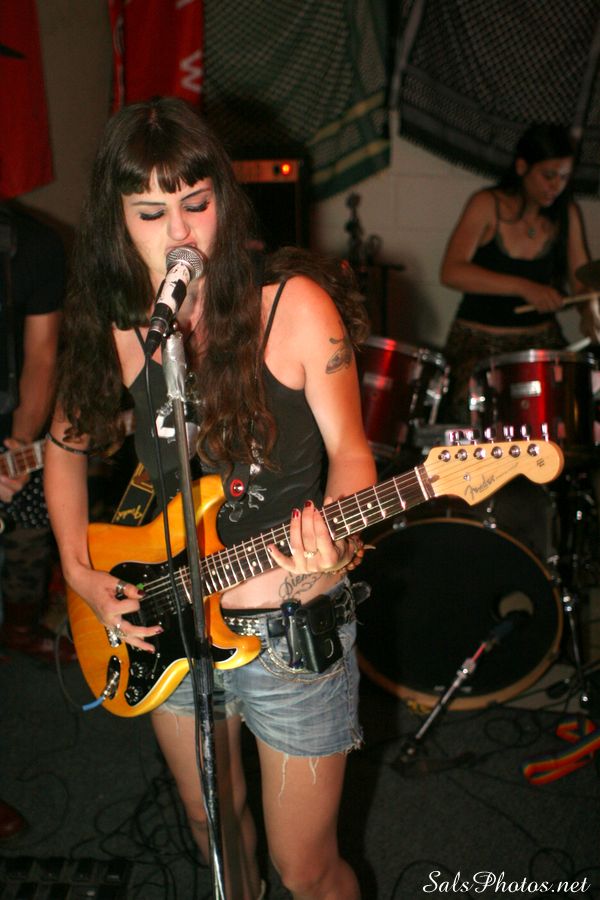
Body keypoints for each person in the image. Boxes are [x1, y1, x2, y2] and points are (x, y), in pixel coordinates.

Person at [44, 97, 376, 900]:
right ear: (117, 221)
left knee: (306, 867)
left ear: (224, 197)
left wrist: (332, 546)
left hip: (289, 621)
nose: (180, 232)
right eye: (150, 212)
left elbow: (353, 453)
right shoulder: (125, 322)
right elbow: (65, 443)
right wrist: (79, 572)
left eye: (196, 203)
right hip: (172, 621)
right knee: (211, 826)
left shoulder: (293, 307)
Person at [439, 123, 600, 421]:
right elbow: (451, 271)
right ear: (522, 166)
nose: (556, 186)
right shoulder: (487, 204)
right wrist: (524, 287)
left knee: (575, 406)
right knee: (472, 413)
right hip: (479, 341)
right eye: (548, 176)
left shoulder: (567, 213)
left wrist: (591, 309)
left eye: (564, 177)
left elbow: (582, 282)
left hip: (540, 342)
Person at [0, 203, 71, 663]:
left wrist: (19, 448)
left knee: (32, 507)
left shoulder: (35, 245)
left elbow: (42, 356)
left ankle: (20, 627)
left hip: (10, 414)